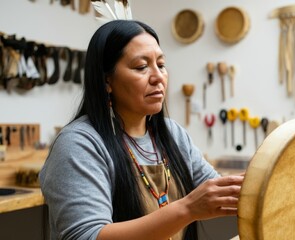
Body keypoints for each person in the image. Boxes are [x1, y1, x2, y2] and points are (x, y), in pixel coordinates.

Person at [39, 20, 243, 240]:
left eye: (161, 64)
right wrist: (187, 209)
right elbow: (86, 236)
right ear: (106, 80)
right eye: (141, 67)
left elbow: (222, 195)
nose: (158, 77)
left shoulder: (173, 134)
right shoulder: (78, 144)